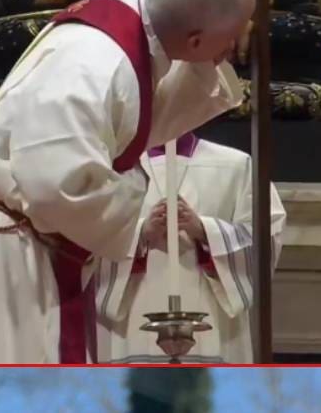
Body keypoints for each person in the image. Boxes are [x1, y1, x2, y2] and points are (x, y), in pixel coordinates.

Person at [0, 0, 254, 364]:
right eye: (232, 37)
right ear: (194, 40)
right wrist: (135, 189)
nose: (235, 47)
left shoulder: (129, 18)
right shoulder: (94, 64)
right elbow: (58, 187)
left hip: (15, 226)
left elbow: (137, 114)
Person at [95, 133, 286, 364]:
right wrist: (141, 233)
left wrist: (205, 231)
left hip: (216, 324)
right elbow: (87, 240)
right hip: (131, 320)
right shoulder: (113, 168)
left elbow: (267, 238)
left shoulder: (237, 165)